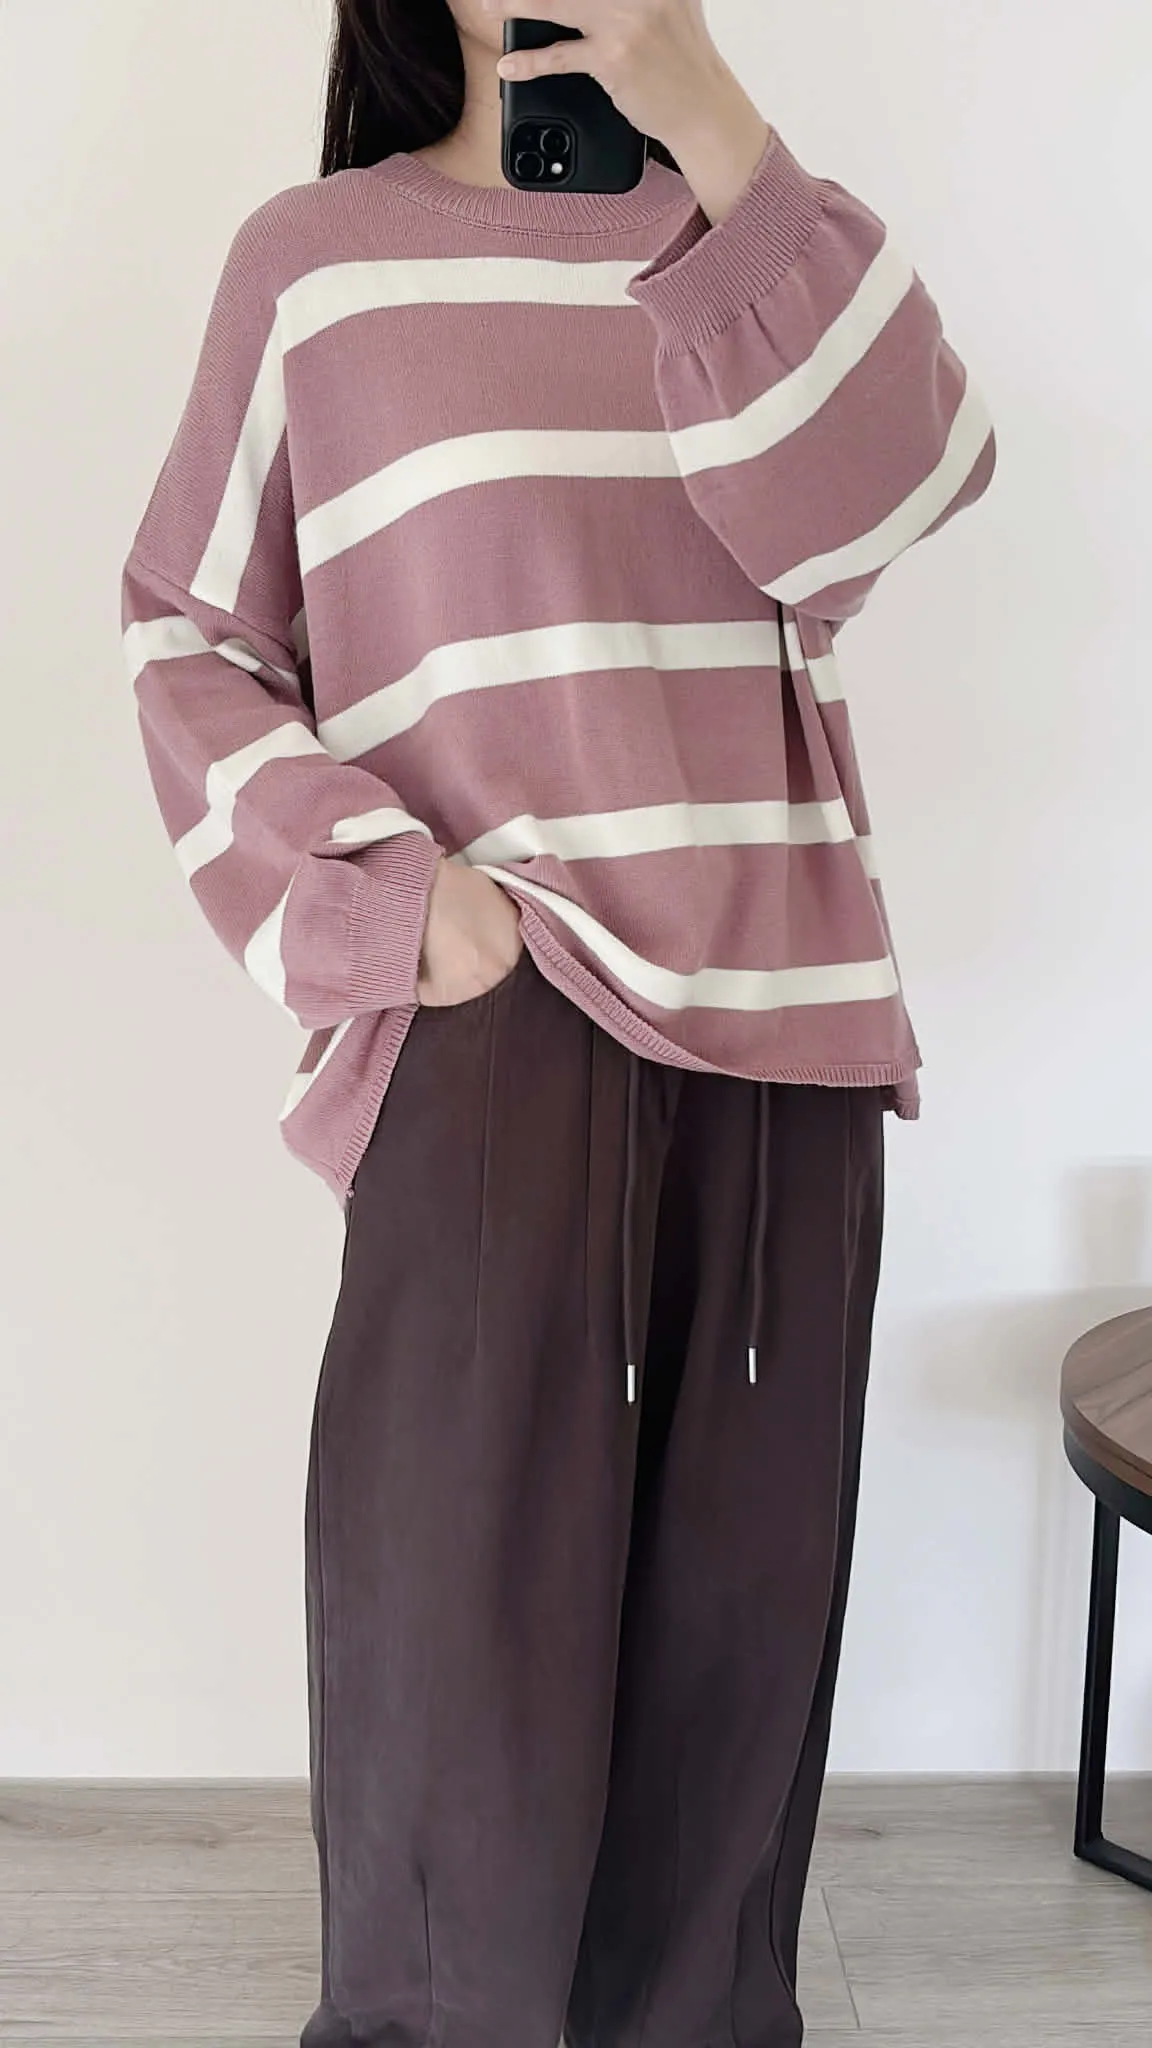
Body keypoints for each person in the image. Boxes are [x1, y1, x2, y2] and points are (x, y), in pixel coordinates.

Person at [119, 3, 995, 2042]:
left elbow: (900, 491)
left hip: (786, 1047)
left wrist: (714, 125)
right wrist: (388, 901)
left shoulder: (761, 240)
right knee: (459, 1700)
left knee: (732, 1694)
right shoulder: (317, 265)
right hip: (502, 1031)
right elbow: (187, 635)